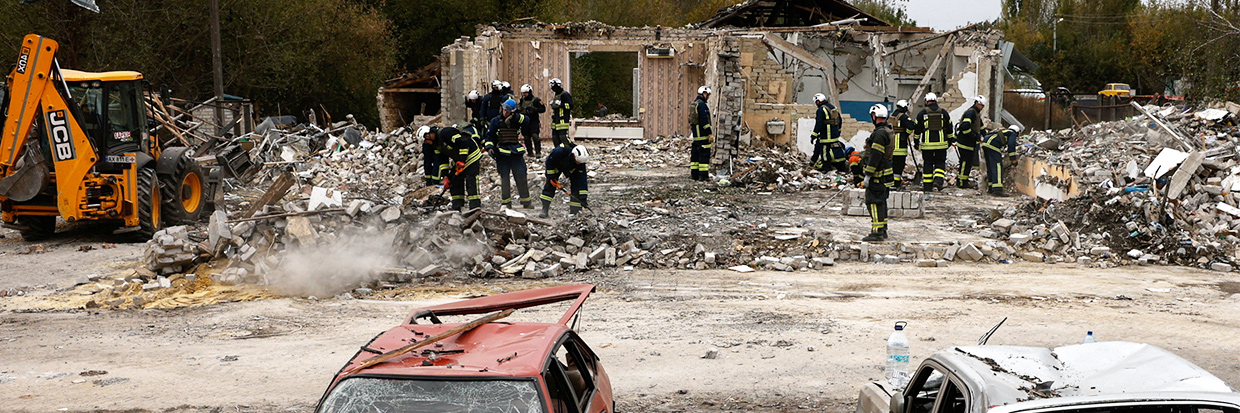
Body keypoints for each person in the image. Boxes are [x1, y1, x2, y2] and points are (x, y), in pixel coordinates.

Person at [418, 124, 482, 211]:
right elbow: (442, 161)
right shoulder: (436, 145)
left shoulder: (446, 133)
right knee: (454, 180)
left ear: (428, 135)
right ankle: (457, 207)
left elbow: (463, 143)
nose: (426, 143)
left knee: (471, 181)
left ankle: (475, 208)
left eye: (426, 140)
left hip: (471, 156)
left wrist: (462, 160)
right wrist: (445, 177)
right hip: (459, 160)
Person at [486, 98, 534, 209]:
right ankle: (506, 203)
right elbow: (490, 136)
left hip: (516, 152)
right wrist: (489, 147)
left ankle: (526, 201)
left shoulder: (517, 119)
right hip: (502, 153)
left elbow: (526, 120)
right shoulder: (496, 121)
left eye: (508, 110)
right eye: (504, 109)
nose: (505, 112)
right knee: (505, 178)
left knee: (521, 176)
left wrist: (515, 117)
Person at [862, 104, 894, 242]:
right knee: (881, 202)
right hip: (886, 174)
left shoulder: (879, 134)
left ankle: (877, 232)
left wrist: (868, 175)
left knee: (873, 202)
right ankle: (883, 229)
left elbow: (875, 156)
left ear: (874, 116)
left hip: (878, 175)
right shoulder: (887, 130)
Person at [914, 93, 953, 192]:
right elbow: (949, 127)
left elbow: (917, 129)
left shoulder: (922, 113)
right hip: (941, 145)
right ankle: (938, 181)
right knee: (940, 163)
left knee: (928, 164)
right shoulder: (944, 112)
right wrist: (950, 140)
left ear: (926, 101)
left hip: (927, 146)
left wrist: (916, 142)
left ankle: (927, 186)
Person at [539, 145, 590, 217]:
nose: (579, 163)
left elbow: (582, 180)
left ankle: (575, 211)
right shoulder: (559, 152)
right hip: (557, 165)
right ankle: (545, 208)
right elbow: (549, 162)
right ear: (573, 155)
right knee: (550, 186)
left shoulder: (581, 163)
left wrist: (583, 198)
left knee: (577, 186)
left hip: (572, 169)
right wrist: (551, 176)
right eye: (578, 161)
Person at [810, 93, 847, 173]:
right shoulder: (833, 108)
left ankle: (827, 168)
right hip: (834, 136)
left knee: (824, 153)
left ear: (818, 102)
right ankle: (840, 167)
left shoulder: (821, 110)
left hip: (826, 137)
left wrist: (814, 135)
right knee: (835, 150)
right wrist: (838, 131)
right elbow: (839, 120)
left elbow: (819, 123)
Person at [954, 95, 986, 189]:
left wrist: (986, 135)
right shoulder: (970, 113)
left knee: (968, 163)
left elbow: (980, 126)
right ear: (976, 103)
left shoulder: (976, 113)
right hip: (965, 143)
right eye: (981, 105)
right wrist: (975, 136)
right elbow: (964, 127)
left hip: (969, 143)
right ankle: (961, 182)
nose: (982, 108)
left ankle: (964, 180)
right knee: (965, 162)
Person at [981, 125, 1020, 197]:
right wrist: (1013, 159)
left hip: (985, 143)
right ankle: (997, 190)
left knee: (990, 166)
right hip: (993, 145)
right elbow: (1011, 146)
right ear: (1017, 132)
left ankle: (991, 187)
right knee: (998, 167)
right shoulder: (1012, 133)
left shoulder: (1004, 131)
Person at [689, 85, 713, 181]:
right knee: (704, 156)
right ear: (704, 94)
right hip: (702, 135)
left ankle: (694, 175)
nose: (708, 97)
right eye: (708, 95)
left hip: (696, 136)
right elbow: (704, 120)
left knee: (695, 157)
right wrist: (709, 133)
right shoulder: (702, 105)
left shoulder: (694, 103)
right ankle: (703, 176)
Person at [890, 100, 914, 189]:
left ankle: (891, 183)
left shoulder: (891, 116)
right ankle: (896, 183)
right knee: (898, 166)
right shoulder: (903, 117)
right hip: (900, 146)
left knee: (892, 166)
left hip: (891, 146)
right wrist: (906, 133)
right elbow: (911, 126)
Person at [518, 84, 547, 157]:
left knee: (535, 136)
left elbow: (543, 109)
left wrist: (535, 109)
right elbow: (519, 108)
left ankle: (538, 151)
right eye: (523, 93)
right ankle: (530, 152)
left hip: (534, 121)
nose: (524, 95)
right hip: (525, 122)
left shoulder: (536, 100)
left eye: (525, 93)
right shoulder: (522, 100)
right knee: (526, 137)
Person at [549, 78, 574, 148]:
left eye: (552, 86)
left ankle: (571, 149)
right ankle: (558, 151)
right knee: (555, 138)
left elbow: (570, 106)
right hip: (555, 120)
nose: (551, 88)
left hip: (562, 120)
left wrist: (561, 104)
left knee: (563, 137)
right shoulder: (557, 95)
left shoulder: (565, 94)